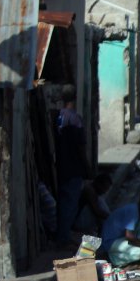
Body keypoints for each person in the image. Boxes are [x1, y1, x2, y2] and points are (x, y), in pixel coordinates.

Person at [100, 187, 140, 267]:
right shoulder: (133, 211)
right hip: (110, 242)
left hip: (121, 238)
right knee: (139, 252)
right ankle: (112, 259)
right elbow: (129, 237)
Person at [55, 92, 87, 246]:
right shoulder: (75, 118)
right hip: (73, 167)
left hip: (61, 166)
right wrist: (86, 166)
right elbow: (81, 145)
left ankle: (63, 235)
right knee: (70, 204)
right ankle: (64, 238)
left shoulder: (59, 116)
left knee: (63, 203)